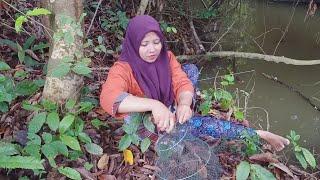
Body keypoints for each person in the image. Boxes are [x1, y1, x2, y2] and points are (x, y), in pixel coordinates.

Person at [100, 15, 289, 151]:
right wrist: (154, 105)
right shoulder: (123, 68)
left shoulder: (166, 57)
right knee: (198, 125)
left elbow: (181, 81)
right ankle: (257, 134)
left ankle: (179, 110)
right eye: (144, 44)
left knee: (189, 70)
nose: (152, 49)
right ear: (133, 44)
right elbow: (109, 98)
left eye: (156, 42)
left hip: (168, 107)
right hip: (146, 120)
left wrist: (183, 102)